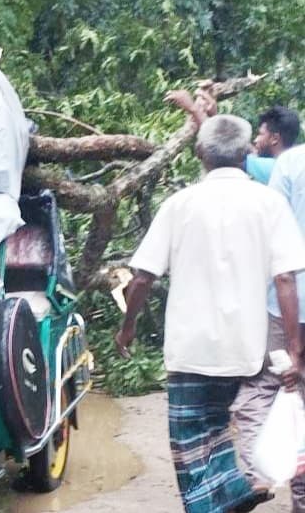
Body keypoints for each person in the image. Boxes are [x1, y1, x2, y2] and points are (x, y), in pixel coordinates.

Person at [115, 114, 305, 513]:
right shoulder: (268, 203)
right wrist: (293, 348)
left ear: (199, 153)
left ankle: (226, 494)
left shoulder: (178, 204)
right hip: (248, 348)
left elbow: (143, 277)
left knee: (190, 439)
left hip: (191, 349)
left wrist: (127, 326)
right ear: (247, 152)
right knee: (220, 423)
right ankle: (237, 486)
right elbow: (285, 278)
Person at [232, 140, 305, 512]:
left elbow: (278, 254)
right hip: (288, 298)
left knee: (259, 392)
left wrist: (294, 344)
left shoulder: (291, 162)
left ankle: (257, 474)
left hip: (288, 305)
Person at [245, 106, 301, 184]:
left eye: (261, 134)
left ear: (275, 139)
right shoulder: (297, 167)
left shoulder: (271, 167)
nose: (256, 140)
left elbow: (234, 158)